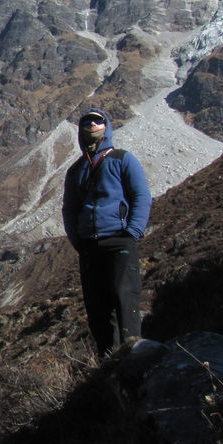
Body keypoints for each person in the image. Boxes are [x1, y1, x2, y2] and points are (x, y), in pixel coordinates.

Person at [61, 107, 152, 356]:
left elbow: (141, 195)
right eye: (86, 122)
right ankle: (107, 361)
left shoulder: (123, 159)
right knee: (97, 308)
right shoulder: (76, 170)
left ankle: (134, 355)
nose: (92, 125)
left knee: (125, 300)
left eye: (97, 121)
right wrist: (78, 240)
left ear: (106, 127)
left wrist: (132, 231)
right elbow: (70, 208)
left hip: (118, 239)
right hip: (89, 246)